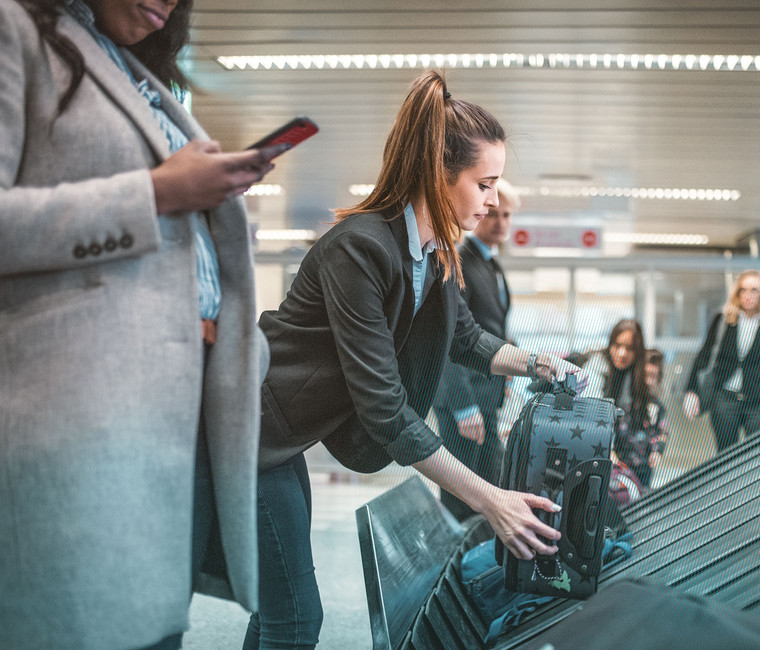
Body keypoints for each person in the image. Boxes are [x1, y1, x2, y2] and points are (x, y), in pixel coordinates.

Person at [249, 70, 584, 649]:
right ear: (439, 175)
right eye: (485, 183)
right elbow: (384, 410)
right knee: (296, 617)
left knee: (282, 611)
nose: (494, 199)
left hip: (281, 439)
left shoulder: (431, 252)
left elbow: (469, 341)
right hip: (244, 431)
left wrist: (543, 366)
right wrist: (491, 498)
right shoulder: (362, 247)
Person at [0, 0, 280, 648]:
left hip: (184, 414)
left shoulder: (133, 68)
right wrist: (156, 194)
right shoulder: (17, 30)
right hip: (81, 410)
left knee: (155, 628)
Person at [433, 178, 520, 521]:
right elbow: (449, 338)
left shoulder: (491, 264)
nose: (500, 222)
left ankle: (474, 562)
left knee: (486, 487)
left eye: (507, 215)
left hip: (485, 396)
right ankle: (457, 568)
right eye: (494, 214)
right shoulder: (461, 260)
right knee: (463, 496)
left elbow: (493, 328)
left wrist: (510, 369)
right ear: (480, 213)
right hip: (464, 400)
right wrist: (463, 405)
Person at [683, 270, 760, 454]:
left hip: (756, 402)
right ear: (737, 293)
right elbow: (703, 356)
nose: (748, 295)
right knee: (726, 456)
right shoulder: (723, 321)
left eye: (754, 290)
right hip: (724, 399)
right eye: (743, 290)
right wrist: (691, 390)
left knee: (757, 455)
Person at [582, 319, 650, 469]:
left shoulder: (634, 376)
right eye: (617, 345)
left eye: (630, 348)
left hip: (622, 458)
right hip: (593, 452)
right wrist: (608, 450)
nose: (622, 353)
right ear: (610, 343)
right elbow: (592, 419)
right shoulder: (596, 369)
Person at [636, 348, 668, 489]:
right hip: (622, 464)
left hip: (645, 468)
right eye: (646, 375)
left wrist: (657, 451)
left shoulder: (658, 406)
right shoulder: (627, 400)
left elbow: (663, 432)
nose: (649, 381)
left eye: (653, 376)